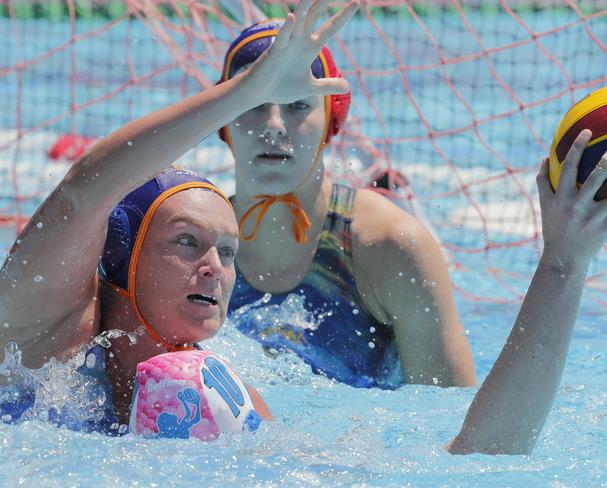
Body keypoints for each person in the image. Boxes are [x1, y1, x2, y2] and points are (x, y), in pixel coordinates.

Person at [0, 0, 360, 434]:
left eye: (227, 252)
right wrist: (246, 92)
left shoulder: (218, 394)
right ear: (123, 252)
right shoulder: (46, 331)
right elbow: (83, 191)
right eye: (187, 241)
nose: (215, 270)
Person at [219, 19, 476, 389]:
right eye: (253, 102)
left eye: (296, 104)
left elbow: (451, 419)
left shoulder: (391, 246)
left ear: (331, 120)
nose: (274, 124)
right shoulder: (194, 244)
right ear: (221, 120)